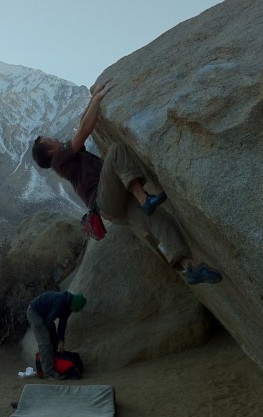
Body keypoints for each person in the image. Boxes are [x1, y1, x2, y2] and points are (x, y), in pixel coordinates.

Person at [32, 81, 222, 285]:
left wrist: (93, 98)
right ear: (49, 150)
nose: (54, 138)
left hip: (115, 206)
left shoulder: (63, 158)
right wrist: (98, 98)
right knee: (116, 152)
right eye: (49, 139)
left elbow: (81, 123)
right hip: (104, 199)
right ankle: (144, 199)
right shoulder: (58, 160)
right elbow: (84, 130)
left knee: (160, 221)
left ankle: (189, 267)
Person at [27, 291, 86, 380]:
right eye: (74, 309)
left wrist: (61, 340)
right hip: (34, 312)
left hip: (45, 315)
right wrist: (51, 338)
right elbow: (48, 322)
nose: (73, 311)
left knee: (54, 340)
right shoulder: (61, 302)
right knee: (45, 343)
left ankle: (54, 364)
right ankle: (48, 373)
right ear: (72, 305)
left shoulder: (69, 305)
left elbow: (63, 323)